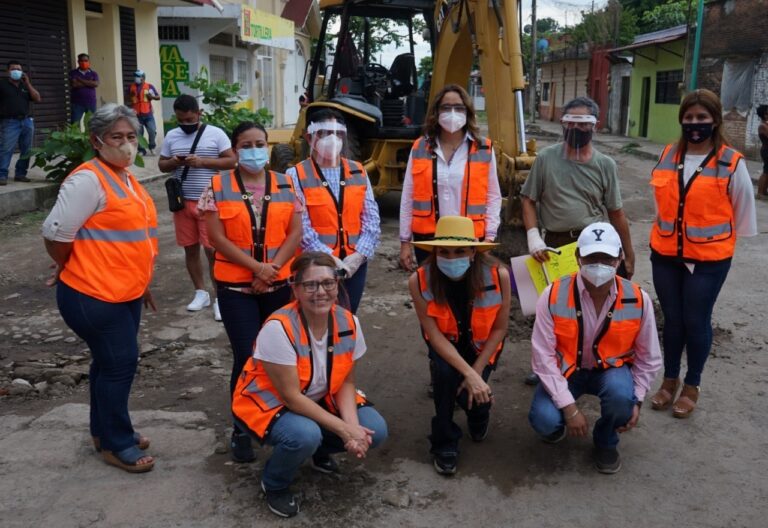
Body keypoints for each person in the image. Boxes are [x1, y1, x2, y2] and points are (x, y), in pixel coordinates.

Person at [41, 103, 158, 473]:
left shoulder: (125, 177)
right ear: (97, 140)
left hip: (126, 291)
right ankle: (115, 442)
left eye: (131, 136)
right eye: (116, 137)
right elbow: (56, 233)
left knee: (108, 364)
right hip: (92, 293)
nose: (126, 145)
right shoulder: (88, 180)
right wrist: (66, 264)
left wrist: (141, 280)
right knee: (120, 364)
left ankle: (103, 430)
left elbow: (131, 238)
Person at [232, 251, 388, 518]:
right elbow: (291, 397)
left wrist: (352, 428)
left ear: (337, 285)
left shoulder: (349, 322)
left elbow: (346, 381)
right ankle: (274, 483)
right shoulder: (278, 327)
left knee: (375, 430)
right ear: (295, 288)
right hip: (268, 403)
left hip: (319, 398)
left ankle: (319, 451)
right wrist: (344, 430)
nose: (320, 292)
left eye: (328, 283)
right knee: (304, 435)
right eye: (310, 285)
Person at [648, 89, 757, 418]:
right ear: (682, 119)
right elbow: (660, 205)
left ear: (715, 121)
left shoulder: (731, 162)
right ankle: (669, 381)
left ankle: (691, 385)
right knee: (674, 320)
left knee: (696, 321)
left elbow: (743, 214)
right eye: (690, 117)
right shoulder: (667, 155)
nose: (695, 123)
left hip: (709, 260)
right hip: (666, 253)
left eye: (702, 118)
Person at [200, 121, 303, 463]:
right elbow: (217, 239)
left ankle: (278, 418)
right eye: (247, 144)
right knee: (246, 357)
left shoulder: (286, 184)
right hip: (236, 288)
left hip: (278, 285)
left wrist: (270, 269)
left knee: (279, 357)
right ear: (235, 148)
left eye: (260, 143)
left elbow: (295, 233)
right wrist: (256, 269)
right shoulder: (218, 185)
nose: (255, 150)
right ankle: (242, 428)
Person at [527, 222, 661, 474]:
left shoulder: (637, 298)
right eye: (591, 257)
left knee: (623, 401)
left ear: (620, 258)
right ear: (577, 257)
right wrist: (570, 409)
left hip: (611, 371)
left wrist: (638, 400)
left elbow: (649, 357)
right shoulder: (552, 294)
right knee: (544, 421)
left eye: (607, 258)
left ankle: (606, 439)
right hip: (567, 370)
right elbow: (542, 356)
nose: (599, 264)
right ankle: (558, 425)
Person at [520, 96, 635, 386]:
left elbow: (616, 212)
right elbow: (528, 199)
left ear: (594, 126)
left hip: (593, 247)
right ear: (563, 124)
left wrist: (628, 254)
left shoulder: (605, 164)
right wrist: (533, 236)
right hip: (555, 245)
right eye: (570, 122)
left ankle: (590, 363)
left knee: (591, 307)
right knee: (550, 307)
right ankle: (545, 363)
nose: (575, 128)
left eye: (582, 123)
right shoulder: (546, 159)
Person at [409, 216, 511, 476]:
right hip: (445, 344)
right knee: (445, 378)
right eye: (444, 251)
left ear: (474, 252)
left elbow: (499, 329)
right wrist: (467, 374)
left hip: (481, 347)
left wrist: (475, 373)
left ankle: (479, 414)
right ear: (434, 252)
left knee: (474, 396)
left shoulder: (499, 275)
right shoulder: (419, 280)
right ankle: (444, 441)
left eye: (459, 251)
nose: (451, 257)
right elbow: (432, 332)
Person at [399, 84, 501, 271]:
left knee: (466, 296)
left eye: (459, 108)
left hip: (469, 241)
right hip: (428, 240)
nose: (452, 113)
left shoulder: (484, 148)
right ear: (436, 112)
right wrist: (405, 241)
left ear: (467, 112)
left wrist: (489, 237)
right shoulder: (420, 147)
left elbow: (493, 196)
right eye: (446, 107)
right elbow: (408, 196)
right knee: (430, 294)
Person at [287, 108, 381, 313]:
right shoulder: (295, 175)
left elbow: (371, 219)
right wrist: (332, 260)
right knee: (316, 315)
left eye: (338, 133)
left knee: (347, 314)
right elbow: (302, 226)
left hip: (355, 264)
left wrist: (356, 258)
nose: (332, 139)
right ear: (309, 136)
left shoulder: (358, 170)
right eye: (324, 133)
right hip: (315, 263)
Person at [158, 94, 236, 320]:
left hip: (210, 202)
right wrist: (173, 162)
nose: (185, 124)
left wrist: (202, 162)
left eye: (190, 120)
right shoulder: (172, 136)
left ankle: (220, 297)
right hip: (182, 202)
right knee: (189, 248)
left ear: (199, 114)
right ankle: (200, 292)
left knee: (212, 250)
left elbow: (231, 161)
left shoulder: (216, 134)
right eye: (181, 120)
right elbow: (162, 165)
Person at [0, 60, 41, 185]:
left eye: (18, 69)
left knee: (26, 150)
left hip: (27, 121)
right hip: (9, 122)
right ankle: (2, 175)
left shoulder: (25, 86)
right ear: (8, 72)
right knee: (6, 149)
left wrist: (28, 83)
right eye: (13, 69)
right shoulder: (2, 84)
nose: (16, 71)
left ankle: (21, 174)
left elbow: (37, 98)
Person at [128, 69, 160, 156]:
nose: (136, 78)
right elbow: (128, 99)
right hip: (137, 115)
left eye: (138, 76)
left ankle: (152, 147)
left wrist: (151, 97)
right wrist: (131, 97)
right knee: (139, 133)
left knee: (152, 130)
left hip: (148, 114)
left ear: (143, 78)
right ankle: (141, 150)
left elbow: (158, 97)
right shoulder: (131, 87)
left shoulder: (149, 86)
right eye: (135, 76)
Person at [69, 53, 99, 124]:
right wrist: (90, 82)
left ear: (89, 62)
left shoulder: (93, 73)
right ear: (78, 62)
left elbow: (95, 84)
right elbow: (75, 84)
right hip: (77, 104)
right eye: (82, 61)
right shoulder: (73, 73)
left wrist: (80, 80)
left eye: (86, 61)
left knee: (92, 124)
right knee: (75, 124)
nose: (84, 63)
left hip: (91, 103)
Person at [756, 104, 768, 199]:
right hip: (766, 151)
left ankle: (764, 191)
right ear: (764, 114)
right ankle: (760, 193)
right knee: (766, 171)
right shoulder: (763, 126)